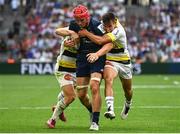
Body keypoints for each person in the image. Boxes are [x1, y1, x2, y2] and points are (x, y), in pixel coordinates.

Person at [56, 5, 110, 131]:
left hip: (97, 58)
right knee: (81, 94)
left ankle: (95, 122)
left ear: (87, 17)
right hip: (82, 60)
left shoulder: (97, 26)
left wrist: (87, 34)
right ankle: (91, 112)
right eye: (77, 20)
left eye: (82, 20)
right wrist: (71, 34)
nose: (79, 23)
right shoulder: (74, 25)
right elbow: (58, 31)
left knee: (94, 86)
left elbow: (106, 42)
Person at [78, 12, 133, 120]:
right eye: (105, 26)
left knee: (128, 90)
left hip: (124, 61)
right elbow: (94, 29)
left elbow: (101, 41)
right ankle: (110, 109)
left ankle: (128, 103)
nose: (107, 29)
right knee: (108, 78)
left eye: (110, 26)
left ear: (115, 22)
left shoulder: (119, 30)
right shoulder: (102, 26)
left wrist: (87, 34)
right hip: (111, 59)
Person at [46, 31, 79, 128]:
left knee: (68, 93)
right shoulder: (70, 37)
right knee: (71, 96)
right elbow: (58, 31)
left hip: (75, 71)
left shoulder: (85, 38)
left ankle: (58, 108)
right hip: (63, 69)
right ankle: (52, 120)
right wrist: (65, 42)